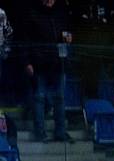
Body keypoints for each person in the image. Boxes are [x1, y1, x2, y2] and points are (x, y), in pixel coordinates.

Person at [21, 0, 73, 143]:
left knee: (60, 98)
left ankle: (60, 132)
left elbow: (66, 32)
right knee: (40, 97)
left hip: (59, 63)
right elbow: (25, 41)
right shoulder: (32, 14)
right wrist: (27, 62)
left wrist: (68, 37)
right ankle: (40, 132)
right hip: (40, 63)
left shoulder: (60, 13)